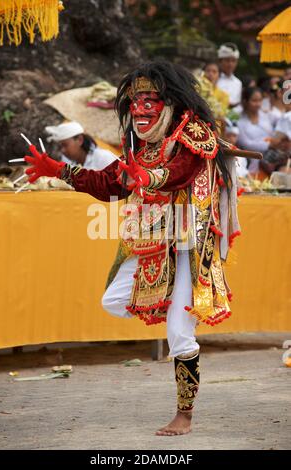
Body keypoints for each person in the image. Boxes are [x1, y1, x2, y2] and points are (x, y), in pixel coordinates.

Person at [23, 61, 240, 436]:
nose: (140, 108)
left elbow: (182, 172)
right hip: (154, 241)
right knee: (114, 300)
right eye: (135, 100)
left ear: (168, 102)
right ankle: (170, 302)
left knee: (179, 333)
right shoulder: (141, 144)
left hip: (190, 244)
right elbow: (110, 183)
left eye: (149, 100)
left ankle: (184, 416)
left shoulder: (194, 134)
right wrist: (57, 169)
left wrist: (149, 176)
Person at [45, 121, 117, 170]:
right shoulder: (66, 161)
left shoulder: (103, 158)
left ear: (80, 140)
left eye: (65, 145)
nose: (62, 150)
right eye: (60, 147)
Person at [237, 87, 275, 175]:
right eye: (254, 101)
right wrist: (268, 145)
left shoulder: (266, 116)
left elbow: (272, 134)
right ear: (245, 101)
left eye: (260, 100)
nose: (258, 104)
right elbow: (245, 144)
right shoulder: (239, 120)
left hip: (270, 160)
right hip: (250, 162)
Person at [217, 43, 242, 113]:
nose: (230, 64)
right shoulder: (214, 80)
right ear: (220, 62)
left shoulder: (238, 83)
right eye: (227, 60)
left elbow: (238, 104)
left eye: (233, 61)